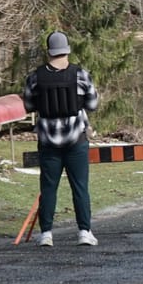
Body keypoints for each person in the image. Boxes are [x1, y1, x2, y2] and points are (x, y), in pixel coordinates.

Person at [22, 31, 99, 247]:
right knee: (80, 187)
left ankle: (46, 234)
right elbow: (92, 104)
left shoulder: (35, 77)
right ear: (67, 50)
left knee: (48, 188)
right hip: (76, 140)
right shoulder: (81, 75)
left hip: (48, 142)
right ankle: (84, 232)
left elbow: (28, 105)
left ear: (49, 51)